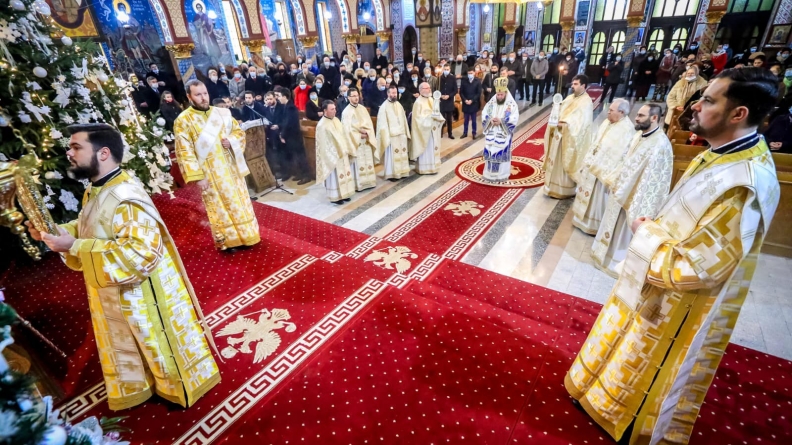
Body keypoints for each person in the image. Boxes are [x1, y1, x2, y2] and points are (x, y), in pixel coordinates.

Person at [567, 67, 780, 445]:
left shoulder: (744, 183)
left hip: (677, 304)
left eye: (709, 99)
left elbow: (699, 269)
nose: (695, 104)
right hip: (656, 275)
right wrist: (658, 224)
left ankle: (627, 418)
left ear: (739, 114)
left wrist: (646, 235)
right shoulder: (721, 155)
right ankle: (598, 394)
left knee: (647, 367)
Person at [28, 123, 220, 411]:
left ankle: (176, 387)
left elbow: (140, 254)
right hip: (115, 288)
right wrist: (57, 232)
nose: (68, 153)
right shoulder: (97, 188)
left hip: (143, 294)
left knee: (155, 343)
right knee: (132, 342)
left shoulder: (125, 196)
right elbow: (89, 227)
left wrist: (73, 246)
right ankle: (147, 383)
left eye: (76, 147)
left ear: (103, 153)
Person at [173, 80, 260, 249]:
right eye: (198, 95)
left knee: (239, 202)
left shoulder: (222, 113)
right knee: (219, 207)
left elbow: (238, 132)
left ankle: (248, 235)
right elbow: (184, 151)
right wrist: (198, 177)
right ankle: (229, 241)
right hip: (210, 174)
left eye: (205, 93)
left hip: (231, 169)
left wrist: (232, 141)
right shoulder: (183, 121)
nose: (203, 97)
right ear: (189, 97)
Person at [571, 99, 634, 235]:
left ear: (621, 112)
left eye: (611, 110)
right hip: (592, 165)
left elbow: (620, 154)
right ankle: (580, 219)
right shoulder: (607, 122)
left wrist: (599, 165)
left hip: (602, 172)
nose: (608, 112)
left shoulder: (627, 130)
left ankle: (592, 224)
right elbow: (596, 141)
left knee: (596, 198)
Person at [542, 75, 594, 199]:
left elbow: (581, 124)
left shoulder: (586, 102)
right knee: (555, 163)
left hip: (569, 138)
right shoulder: (570, 97)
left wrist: (564, 124)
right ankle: (552, 188)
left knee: (564, 162)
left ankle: (565, 190)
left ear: (583, 86)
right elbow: (560, 111)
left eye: (575, 84)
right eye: (572, 84)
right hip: (559, 135)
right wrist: (556, 109)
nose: (572, 86)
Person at [316, 100, 356, 203]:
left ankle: (345, 193)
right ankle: (336, 197)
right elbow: (324, 145)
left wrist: (347, 148)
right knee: (335, 177)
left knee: (345, 174)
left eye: (335, 109)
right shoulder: (321, 125)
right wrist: (336, 153)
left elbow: (344, 135)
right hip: (333, 156)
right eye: (332, 109)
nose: (335, 111)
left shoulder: (336, 120)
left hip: (343, 153)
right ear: (325, 110)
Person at [481, 78, 520, 181]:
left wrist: (501, 121)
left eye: (501, 95)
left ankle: (501, 175)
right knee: (490, 152)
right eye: (498, 95)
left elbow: (514, 118)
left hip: (503, 134)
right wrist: (490, 120)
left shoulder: (511, 105)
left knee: (500, 153)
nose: (499, 96)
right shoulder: (491, 102)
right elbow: (484, 113)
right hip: (491, 133)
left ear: (506, 93)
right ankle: (488, 174)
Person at [341, 88, 379, 191]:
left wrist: (367, 132)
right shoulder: (346, 112)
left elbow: (369, 124)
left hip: (366, 140)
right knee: (358, 163)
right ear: (348, 97)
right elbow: (347, 131)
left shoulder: (363, 109)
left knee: (367, 161)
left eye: (357, 95)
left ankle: (370, 182)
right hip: (356, 142)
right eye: (353, 96)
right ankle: (359, 185)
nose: (356, 98)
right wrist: (358, 135)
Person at [273, 89, 312, 184]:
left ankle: (306, 175)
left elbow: (289, 123)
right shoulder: (286, 107)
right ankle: (301, 173)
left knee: (300, 156)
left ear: (285, 96)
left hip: (294, 136)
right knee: (295, 156)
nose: (278, 99)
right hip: (290, 137)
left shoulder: (291, 108)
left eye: (279, 96)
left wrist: (283, 134)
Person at [377, 85, 412, 180]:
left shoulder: (399, 105)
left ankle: (403, 172)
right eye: (392, 93)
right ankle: (392, 174)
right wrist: (386, 136)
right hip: (392, 136)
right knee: (393, 156)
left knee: (402, 153)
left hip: (401, 134)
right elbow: (382, 124)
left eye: (395, 93)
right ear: (388, 93)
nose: (394, 95)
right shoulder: (384, 107)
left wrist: (405, 132)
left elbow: (404, 120)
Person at [410, 82, 446, 175]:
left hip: (432, 130)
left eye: (429, 88)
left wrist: (439, 118)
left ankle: (433, 167)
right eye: (427, 88)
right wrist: (430, 118)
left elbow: (435, 111)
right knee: (427, 149)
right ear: (421, 90)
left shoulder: (431, 99)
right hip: (424, 131)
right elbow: (417, 119)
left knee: (432, 148)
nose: (429, 89)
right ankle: (424, 168)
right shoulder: (418, 102)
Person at [460, 68, 482, 138]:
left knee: (474, 120)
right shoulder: (464, 81)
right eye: (469, 73)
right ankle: (465, 132)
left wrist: (472, 100)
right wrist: (465, 100)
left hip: (474, 103)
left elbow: (478, 93)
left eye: (471, 73)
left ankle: (474, 133)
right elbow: (461, 92)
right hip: (466, 103)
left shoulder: (477, 81)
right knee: (466, 120)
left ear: (474, 73)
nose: (470, 75)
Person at [439, 64, 457, 139]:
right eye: (445, 69)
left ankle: (450, 133)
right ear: (443, 70)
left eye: (447, 69)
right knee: (442, 119)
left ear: (449, 70)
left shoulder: (453, 78)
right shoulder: (440, 78)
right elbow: (437, 88)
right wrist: (441, 95)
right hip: (442, 101)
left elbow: (455, 90)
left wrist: (449, 95)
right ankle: (440, 133)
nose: (446, 71)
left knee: (449, 119)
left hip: (449, 100)